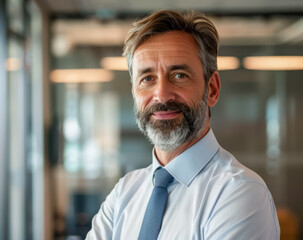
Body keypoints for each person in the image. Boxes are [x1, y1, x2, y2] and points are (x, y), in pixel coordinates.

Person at [85, 10, 280, 240]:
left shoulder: (240, 194)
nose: (161, 95)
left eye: (179, 75)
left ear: (213, 90)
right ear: (134, 93)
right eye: (147, 78)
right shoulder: (124, 194)